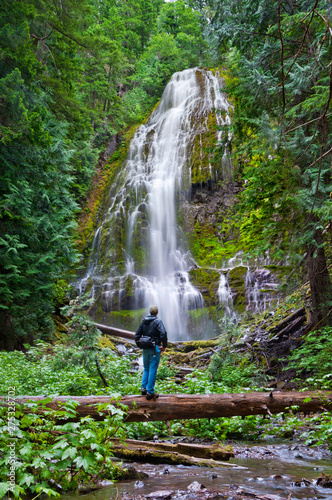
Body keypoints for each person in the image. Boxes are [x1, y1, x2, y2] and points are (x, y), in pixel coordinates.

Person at [135, 305, 168, 400]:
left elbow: (137, 335)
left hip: (145, 348)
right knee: (153, 368)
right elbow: (163, 333)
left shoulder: (143, 322)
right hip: (155, 348)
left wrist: (139, 344)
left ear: (149, 312)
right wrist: (164, 345)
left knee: (146, 368)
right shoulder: (158, 321)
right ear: (157, 313)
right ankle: (150, 392)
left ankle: (143, 388)